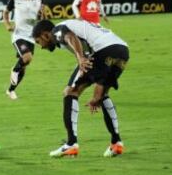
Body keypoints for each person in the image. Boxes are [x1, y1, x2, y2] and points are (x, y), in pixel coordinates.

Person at [32, 19, 129, 158]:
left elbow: (70, 37)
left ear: (45, 35)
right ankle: (116, 143)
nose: (41, 46)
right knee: (101, 96)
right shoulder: (73, 26)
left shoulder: (56, 30)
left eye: (38, 41)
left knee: (70, 92)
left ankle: (71, 143)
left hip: (103, 49)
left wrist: (80, 57)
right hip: (122, 50)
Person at [3, 0, 45, 100]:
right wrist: (7, 25)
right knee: (27, 57)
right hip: (18, 35)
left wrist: (42, 17)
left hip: (32, 36)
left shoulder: (39, 1)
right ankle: (14, 70)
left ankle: (10, 90)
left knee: (24, 67)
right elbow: (5, 12)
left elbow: (42, 18)